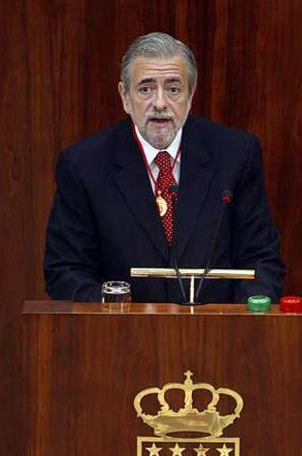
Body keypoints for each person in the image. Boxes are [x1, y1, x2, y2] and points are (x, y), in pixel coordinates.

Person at [44, 32, 285, 303]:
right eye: (146, 88)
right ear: (124, 95)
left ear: (191, 95)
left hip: (218, 338)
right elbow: (65, 271)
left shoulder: (236, 155)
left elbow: (261, 261)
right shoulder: (83, 166)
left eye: (173, 89)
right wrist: (115, 314)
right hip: (120, 338)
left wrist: (237, 326)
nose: (160, 103)